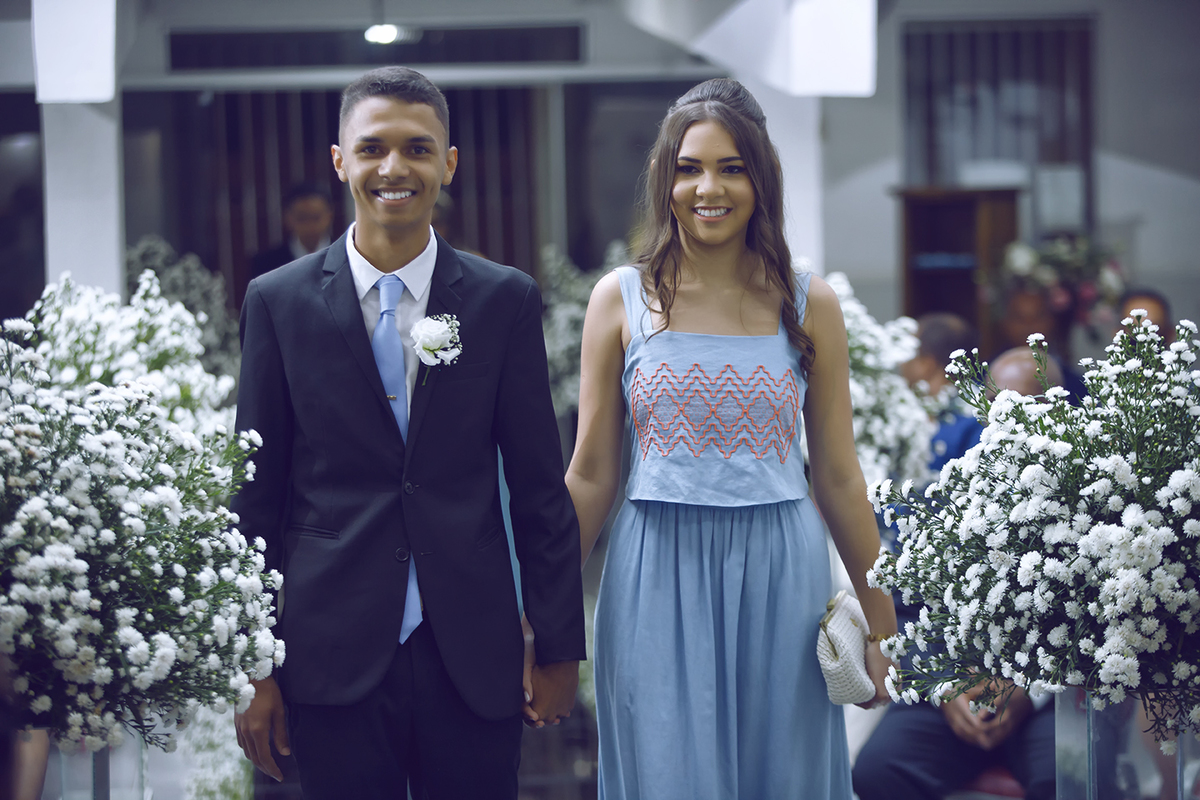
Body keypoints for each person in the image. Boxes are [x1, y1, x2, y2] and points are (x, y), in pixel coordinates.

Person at [231, 65, 585, 800]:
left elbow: (538, 489)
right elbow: (254, 500)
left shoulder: (502, 300)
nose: (394, 168)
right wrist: (253, 666)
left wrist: (558, 647)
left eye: (417, 148)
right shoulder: (278, 302)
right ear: (341, 161)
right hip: (330, 647)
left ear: (448, 163)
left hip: (471, 647)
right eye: (372, 148)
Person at [566, 78, 895, 799]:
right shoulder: (619, 298)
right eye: (689, 168)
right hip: (654, 570)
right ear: (665, 179)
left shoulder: (809, 302)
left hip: (783, 572)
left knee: (783, 777)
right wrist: (540, 613)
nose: (707, 188)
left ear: (761, 179)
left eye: (731, 168)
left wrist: (881, 626)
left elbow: (839, 476)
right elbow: (590, 474)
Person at [853, 345, 1059, 800]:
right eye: (995, 409)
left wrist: (1028, 692)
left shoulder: (1084, 505)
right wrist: (946, 685)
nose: (1006, 424)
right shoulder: (944, 498)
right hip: (949, 687)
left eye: (1024, 407)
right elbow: (907, 610)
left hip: (1045, 698)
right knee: (877, 772)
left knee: (1068, 781)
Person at [899, 312, 983, 473]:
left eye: (907, 355)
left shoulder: (974, 417)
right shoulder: (906, 406)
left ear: (927, 363)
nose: (901, 363)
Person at [247, 183, 334, 281]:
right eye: (302, 218)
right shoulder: (266, 263)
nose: (310, 225)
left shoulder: (344, 255)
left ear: (329, 216)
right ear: (288, 218)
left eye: (316, 218)